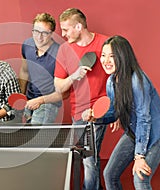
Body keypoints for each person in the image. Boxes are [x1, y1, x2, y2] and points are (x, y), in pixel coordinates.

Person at [83, 35, 160, 189]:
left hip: (155, 133)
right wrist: (96, 117)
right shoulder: (111, 82)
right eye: (103, 56)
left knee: (140, 178)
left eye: (112, 56)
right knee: (109, 174)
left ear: (123, 57)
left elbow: (144, 118)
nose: (106, 60)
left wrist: (139, 156)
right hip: (134, 131)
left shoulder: (137, 81)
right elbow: (115, 112)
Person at [46, 8, 109, 189]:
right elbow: (59, 86)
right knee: (85, 157)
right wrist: (74, 75)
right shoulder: (65, 50)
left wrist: (117, 109)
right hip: (78, 113)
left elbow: (119, 77)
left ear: (79, 26)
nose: (63, 34)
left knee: (90, 159)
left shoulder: (105, 44)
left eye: (66, 30)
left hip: (99, 110)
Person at [19, 13, 62, 124]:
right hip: (29, 98)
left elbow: (62, 90)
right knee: (28, 135)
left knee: (37, 137)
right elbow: (24, 71)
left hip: (48, 103)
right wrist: (21, 97)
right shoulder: (27, 44)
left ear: (51, 33)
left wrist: (41, 100)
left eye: (44, 33)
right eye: (36, 32)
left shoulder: (60, 52)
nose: (39, 37)